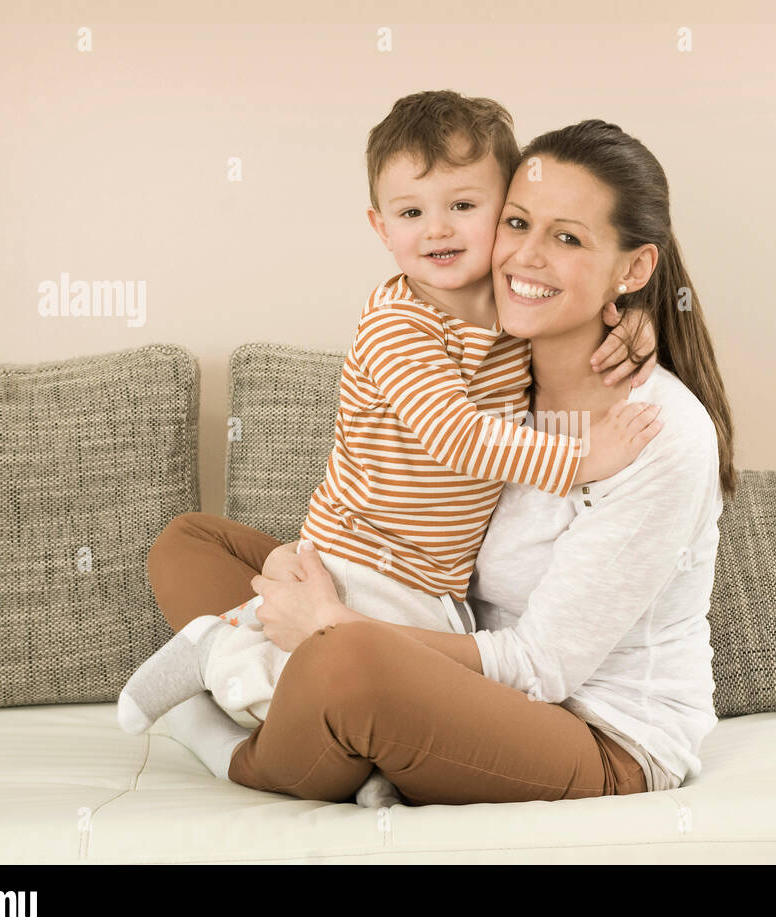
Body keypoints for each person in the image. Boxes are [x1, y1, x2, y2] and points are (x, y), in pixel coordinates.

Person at [148, 117, 736, 805]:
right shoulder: (496, 374)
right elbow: (425, 287)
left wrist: (331, 624)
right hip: (443, 673)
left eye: (568, 238)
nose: (526, 258)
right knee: (193, 543)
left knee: (346, 664)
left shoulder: (659, 434)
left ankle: (241, 747)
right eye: (517, 223)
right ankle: (346, 722)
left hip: (595, 734)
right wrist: (301, 574)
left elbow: (541, 668)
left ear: (634, 268)